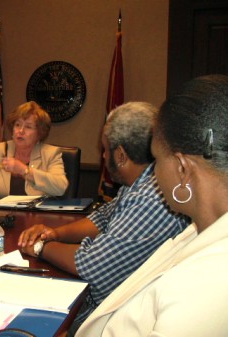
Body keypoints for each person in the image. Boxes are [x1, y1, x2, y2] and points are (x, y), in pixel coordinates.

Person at [18, 102, 190, 335]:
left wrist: (39, 246)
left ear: (120, 155)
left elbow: (89, 265)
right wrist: (55, 233)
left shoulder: (151, 197)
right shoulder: (139, 182)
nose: (102, 155)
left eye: (105, 149)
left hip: (110, 321)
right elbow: (101, 218)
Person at [75, 74, 228, 336]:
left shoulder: (209, 280)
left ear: (182, 168)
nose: (153, 173)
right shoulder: (200, 229)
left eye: (156, 160)